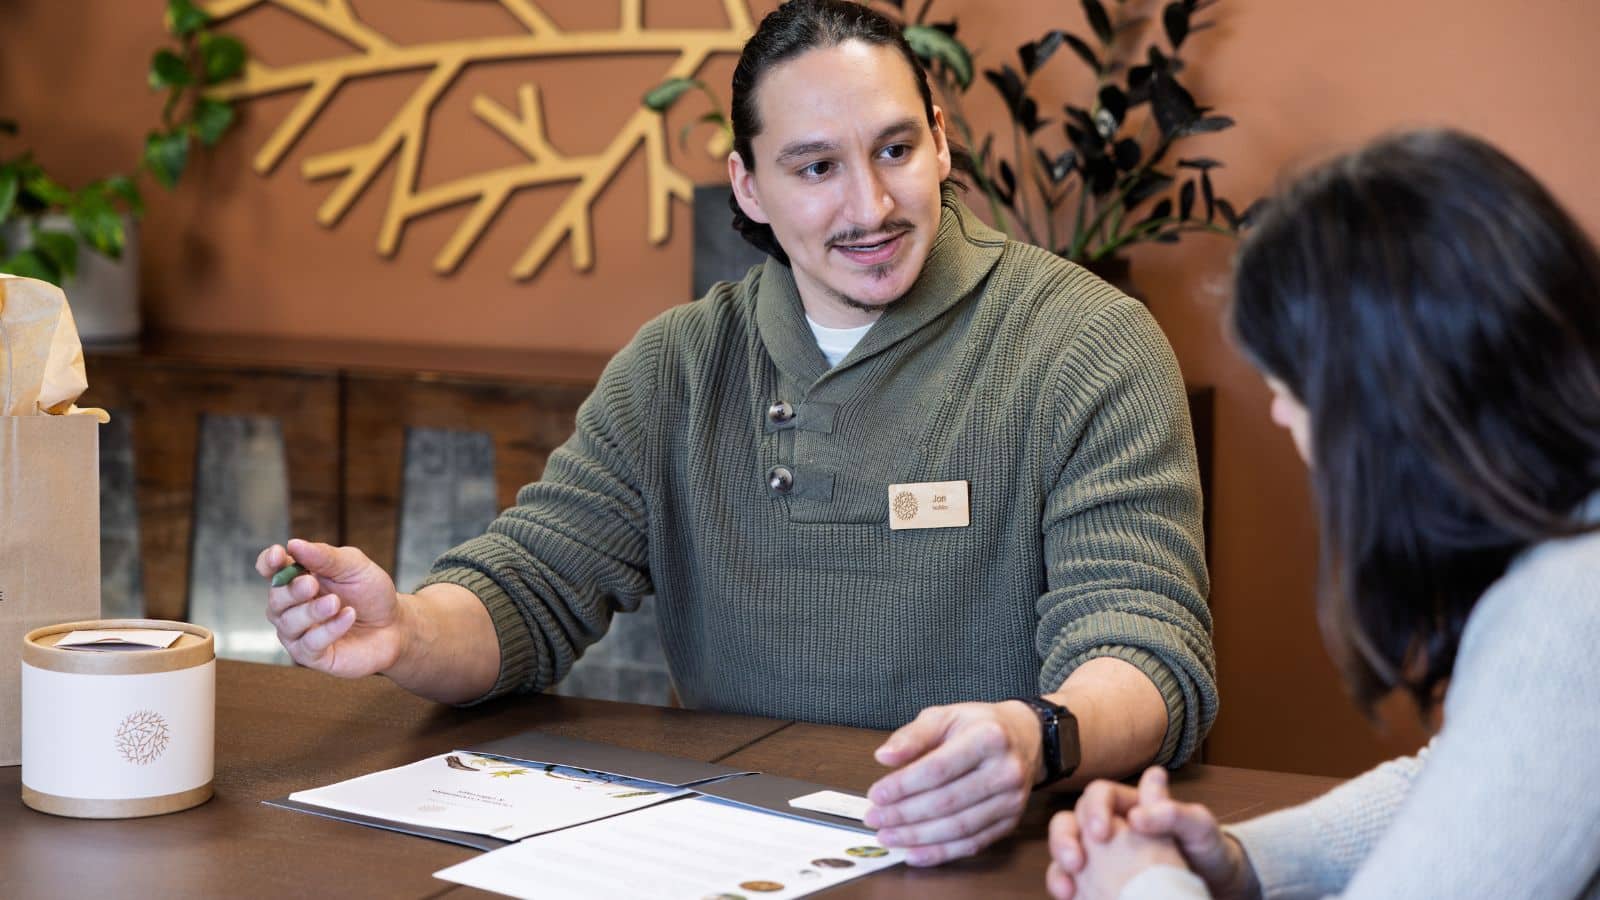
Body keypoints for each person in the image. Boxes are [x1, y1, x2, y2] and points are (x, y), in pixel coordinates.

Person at [258, 0, 1216, 867]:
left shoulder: (1086, 342)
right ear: (748, 187)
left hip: (1014, 852)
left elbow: (1148, 649)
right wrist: (404, 630)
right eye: (815, 168)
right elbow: (527, 594)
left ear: (941, 143)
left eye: (895, 151)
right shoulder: (681, 365)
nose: (871, 208)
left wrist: (1036, 738)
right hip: (738, 850)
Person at [1045, 129, 1600, 899]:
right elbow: (1471, 780)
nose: (1278, 413)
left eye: (1290, 383)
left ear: (1382, 404)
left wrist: (1144, 885)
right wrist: (1242, 859)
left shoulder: (1571, 614)